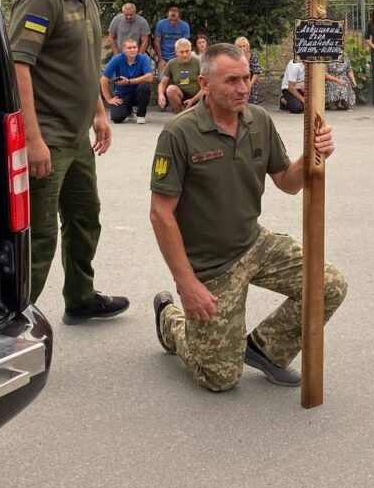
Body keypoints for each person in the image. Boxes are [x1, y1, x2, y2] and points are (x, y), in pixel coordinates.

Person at [149, 43, 347, 392]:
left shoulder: (259, 120)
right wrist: (187, 284)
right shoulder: (179, 134)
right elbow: (160, 215)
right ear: (205, 84)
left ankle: (265, 350)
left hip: (254, 244)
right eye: (231, 81)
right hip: (211, 265)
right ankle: (171, 320)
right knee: (219, 378)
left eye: (244, 79)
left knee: (330, 285)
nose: (243, 88)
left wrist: (313, 156)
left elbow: (287, 182)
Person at [8, 0, 129, 324]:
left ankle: (79, 298)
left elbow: (89, 60)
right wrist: (32, 140)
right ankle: (14, 322)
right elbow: (19, 66)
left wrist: (99, 112)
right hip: (48, 139)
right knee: (39, 237)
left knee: (84, 219)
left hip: (77, 137)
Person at [100, 38, 154, 124]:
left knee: (145, 86)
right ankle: (128, 111)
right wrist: (109, 99)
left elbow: (150, 77)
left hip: (137, 93)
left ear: (137, 48)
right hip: (122, 94)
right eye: (129, 48)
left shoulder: (143, 59)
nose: (132, 50)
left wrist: (129, 81)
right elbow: (103, 79)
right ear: (124, 50)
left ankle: (141, 115)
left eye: (134, 47)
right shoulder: (117, 59)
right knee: (116, 118)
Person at [157, 38, 202, 114]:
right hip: (181, 95)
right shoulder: (171, 63)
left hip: (198, 96)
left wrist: (193, 100)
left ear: (191, 50)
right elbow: (163, 83)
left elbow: (206, 86)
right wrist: (161, 95)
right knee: (170, 89)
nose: (185, 54)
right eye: (182, 52)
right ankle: (179, 115)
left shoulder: (199, 62)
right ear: (176, 52)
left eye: (187, 51)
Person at [154, 6, 190, 73]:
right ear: (167, 16)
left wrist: (181, 58)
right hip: (164, 57)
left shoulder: (185, 26)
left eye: (175, 20)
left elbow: (185, 44)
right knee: (162, 79)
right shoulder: (161, 24)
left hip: (178, 57)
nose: (173, 22)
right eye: (170, 20)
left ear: (179, 18)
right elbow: (157, 42)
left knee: (182, 79)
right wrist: (160, 59)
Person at [234, 36, 261, 104]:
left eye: (244, 46)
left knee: (252, 103)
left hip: (252, 82)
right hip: (238, 81)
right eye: (240, 46)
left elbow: (256, 72)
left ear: (247, 47)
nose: (242, 48)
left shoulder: (253, 56)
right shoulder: (234, 57)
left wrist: (249, 85)